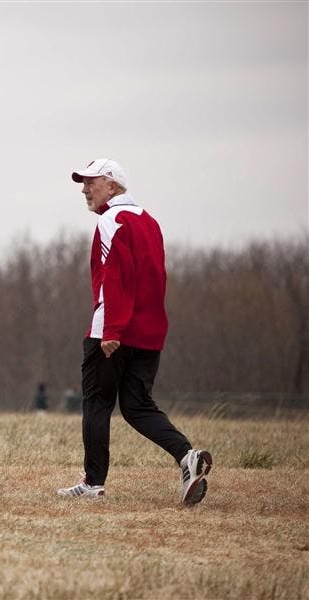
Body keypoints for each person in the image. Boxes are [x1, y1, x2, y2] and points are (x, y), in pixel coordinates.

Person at [57, 158, 212, 505]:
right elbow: (156, 277)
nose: (84, 189)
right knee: (137, 406)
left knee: (97, 402)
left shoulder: (113, 221)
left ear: (112, 186)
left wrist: (111, 329)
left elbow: (115, 276)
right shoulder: (150, 221)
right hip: (150, 330)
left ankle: (93, 483)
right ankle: (187, 456)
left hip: (113, 330)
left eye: (91, 182)